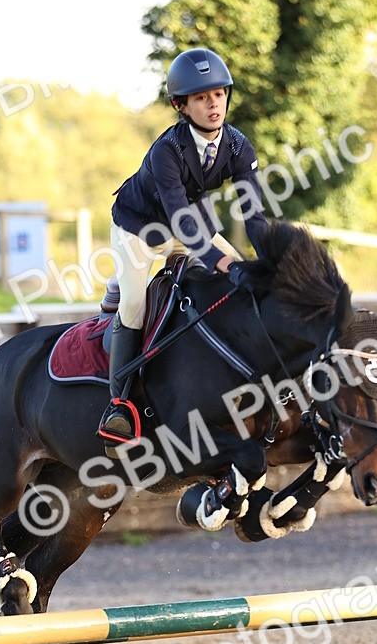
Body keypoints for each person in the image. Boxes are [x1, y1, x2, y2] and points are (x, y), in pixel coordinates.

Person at [97, 47, 270, 448]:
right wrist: (225, 263)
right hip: (139, 228)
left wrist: (267, 262)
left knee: (239, 278)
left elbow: (255, 218)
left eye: (219, 94)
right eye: (201, 98)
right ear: (182, 105)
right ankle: (119, 405)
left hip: (187, 225)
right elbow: (182, 225)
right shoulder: (166, 152)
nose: (214, 105)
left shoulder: (240, 147)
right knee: (135, 305)